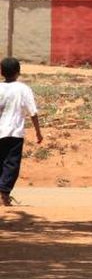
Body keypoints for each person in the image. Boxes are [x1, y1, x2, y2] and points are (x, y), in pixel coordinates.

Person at [0, 57, 43, 207]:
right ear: (18, 72)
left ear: (2, 72)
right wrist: (38, 132)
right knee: (11, 165)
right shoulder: (23, 89)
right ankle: (3, 194)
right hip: (14, 133)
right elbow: (33, 112)